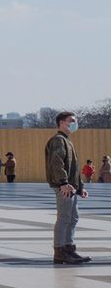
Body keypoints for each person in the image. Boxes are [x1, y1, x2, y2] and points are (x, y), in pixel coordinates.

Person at [46, 111, 91, 264]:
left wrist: (80, 187)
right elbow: (56, 163)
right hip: (64, 186)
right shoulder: (58, 140)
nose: (74, 123)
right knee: (64, 218)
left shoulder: (67, 140)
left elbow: (74, 167)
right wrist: (63, 182)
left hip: (70, 187)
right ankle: (60, 251)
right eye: (71, 120)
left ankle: (69, 248)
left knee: (73, 218)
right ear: (61, 123)